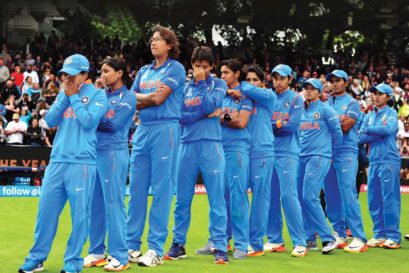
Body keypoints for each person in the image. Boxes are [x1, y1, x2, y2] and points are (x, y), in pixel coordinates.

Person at [18, 54, 107, 273]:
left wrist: (74, 96)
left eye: (72, 74)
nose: (66, 78)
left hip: (82, 163)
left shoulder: (98, 95)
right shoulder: (64, 92)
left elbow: (88, 122)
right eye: (64, 74)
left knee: (79, 217)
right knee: (45, 212)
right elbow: (48, 121)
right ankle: (36, 258)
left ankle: (73, 262)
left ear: (85, 74)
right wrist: (66, 96)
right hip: (57, 161)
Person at [127, 25, 186, 267]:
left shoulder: (176, 68)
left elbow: (158, 99)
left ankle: (155, 249)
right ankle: (131, 246)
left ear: (169, 45)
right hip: (143, 131)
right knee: (137, 189)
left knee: (162, 190)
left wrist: (144, 99)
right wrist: (145, 99)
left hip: (166, 129)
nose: (153, 43)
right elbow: (129, 100)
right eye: (152, 39)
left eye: (159, 39)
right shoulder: (144, 70)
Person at [164, 46, 229, 264]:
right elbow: (179, 116)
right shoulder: (183, 88)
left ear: (212, 66)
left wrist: (202, 85)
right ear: (191, 65)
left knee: (216, 197)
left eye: (204, 66)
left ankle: (220, 246)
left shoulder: (218, 84)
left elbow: (213, 104)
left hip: (211, 145)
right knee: (182, 199)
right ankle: (178, 244)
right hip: (186, 145)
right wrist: (203, 114)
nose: (199, 70)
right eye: (196, 66)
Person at [83, 57, 136, 271]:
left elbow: (113, 125)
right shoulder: (101, 96)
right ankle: (96, 252)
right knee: (94, 205)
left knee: (113, 204)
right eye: (101, 71)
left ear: (120, 73)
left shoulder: (128, 96)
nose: (102, 75)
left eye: (106, 71)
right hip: (94, 152)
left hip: (114, 153)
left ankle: (120, 256)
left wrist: (89, 118)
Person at [323, 70, 368, 253]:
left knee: (348, 193)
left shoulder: (352, 103)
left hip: (346, 152)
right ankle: (339, 233)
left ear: (346, 82)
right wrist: (336, 122)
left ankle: (358, 237)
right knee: (331, 195)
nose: (334, 84)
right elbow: (330, 125)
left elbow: (346, 127)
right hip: (328, 153)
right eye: (332, 81)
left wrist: (329, 123)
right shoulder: (326, 103)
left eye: (337, 81)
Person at [298, 78, 343, 254]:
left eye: (312, 88)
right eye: (305, 88)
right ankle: (310, 238)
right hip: (302, 157)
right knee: (303, 198)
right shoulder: (302, 110)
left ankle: (327, 238)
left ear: (319, 91)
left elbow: (338, 133)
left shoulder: (325, 109)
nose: (308, 91)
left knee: (309, 196)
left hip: (319, 157)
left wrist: (330, 154)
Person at [266, 64, 307, 257]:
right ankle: (275, 240)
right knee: (270, 197)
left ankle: (300, 241)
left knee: (288, 196)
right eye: (275, 78)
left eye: (282, 78)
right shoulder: (268, 97)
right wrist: (277, 124)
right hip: (268, 152)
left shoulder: (296, 99)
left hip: (288, 153)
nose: (278, 81)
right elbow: (262, 125)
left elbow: (291, 127)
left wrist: (271, 126)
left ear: (290, 79)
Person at [239, 66, 276, 257]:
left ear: (263, 83)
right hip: (242, 151)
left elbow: (247, 89)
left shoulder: (268, 96)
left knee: (260, 199)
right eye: (249, 79)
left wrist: (239, 85)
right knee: (238, 197)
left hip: (262, 152)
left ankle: (256, 243)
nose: (251, 83)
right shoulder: (242, 98)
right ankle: (238, 239)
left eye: (255, 80)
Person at [359, 83, 401, 249]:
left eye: (380, 94)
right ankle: (379, 234)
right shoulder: (369, 114)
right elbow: (360, 138)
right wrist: (377, 132)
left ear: (388, 97)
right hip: (374, 160)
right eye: (374, 93)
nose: (376, 96)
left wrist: (369, 130)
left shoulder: (391, 112)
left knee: (389, 198)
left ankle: (393, 236)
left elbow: (389, 129)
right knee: (373, 199)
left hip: (389, 159)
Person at [219, 58, 253, 259]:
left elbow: (241, 122)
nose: (222, 76)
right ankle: (219, 240)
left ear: (236, 74)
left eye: (226, 73)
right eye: (221, 73)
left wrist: (222, 118)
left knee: (238, 195)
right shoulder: (222, 94)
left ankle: (241, 244)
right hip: (219, 148)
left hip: (237, 148)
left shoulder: (245, 95)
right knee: (219, 197)